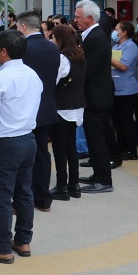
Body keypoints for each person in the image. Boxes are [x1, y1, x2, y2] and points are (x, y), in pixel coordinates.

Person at [0, 30, 42, 264]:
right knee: (24, 192)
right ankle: (23, 240)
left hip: (5, 142)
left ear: (4, 51)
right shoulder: (33, 75)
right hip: (28, 139)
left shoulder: (0, 78)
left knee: (1, 197)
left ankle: (1, 247)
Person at [18, 10, 60, 212]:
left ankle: (24, 198)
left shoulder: (23, 48)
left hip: (27, 109)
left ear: (23, 26)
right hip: (48, 106)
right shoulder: (53, 48)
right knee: (42, 152)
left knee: (24, 155)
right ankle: (43, 198)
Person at [76, 0, 116, 194]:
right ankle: (98, 174)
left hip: (97, 97)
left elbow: (88, 69)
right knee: (94, 139)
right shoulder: (92, 35)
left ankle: (103, 180)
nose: (75, 20)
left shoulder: (97, 37)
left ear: (90, 18)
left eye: (78, 17)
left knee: (97, 139)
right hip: (95, 96)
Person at [49, 24, 87, 200]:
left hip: (62, 106)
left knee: (59, 148)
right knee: (70, 147)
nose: (51, 41)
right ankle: (74, 185)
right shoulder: (80, 55)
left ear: (60, 40)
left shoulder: (63, 58)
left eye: (53, 38)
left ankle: (62, 187)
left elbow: (53, 81)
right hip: (76, 106)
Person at [110, 21, 138, 160]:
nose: (114, 32)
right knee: (117, 121)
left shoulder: (131, 46)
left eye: (116, 29)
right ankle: (121, 147)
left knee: (126, 121)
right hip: (115, 88)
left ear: (124, 32)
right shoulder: (117, 45)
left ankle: (131, 150)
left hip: (126, 90)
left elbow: (123, 66)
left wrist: (107, 57)